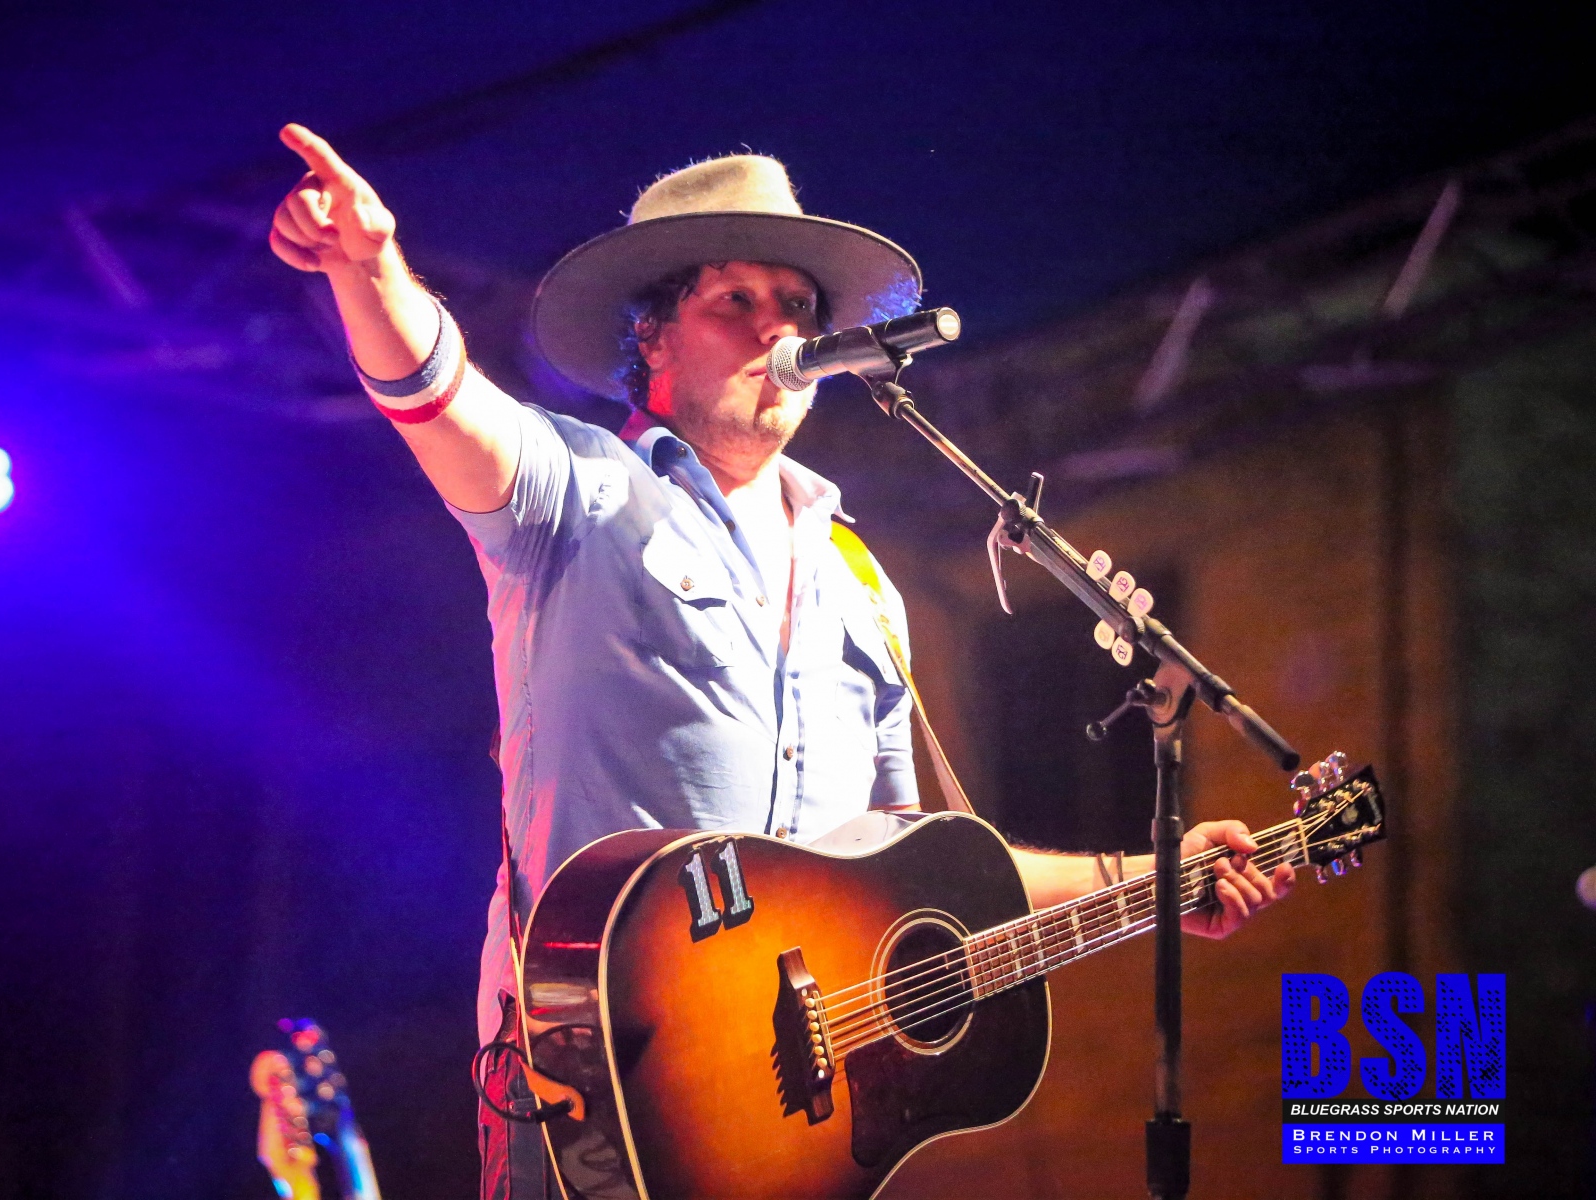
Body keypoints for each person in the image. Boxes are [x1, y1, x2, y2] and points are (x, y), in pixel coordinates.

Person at [268, 124, 1296, 1200]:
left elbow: (913, 870)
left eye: (799, 307)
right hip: (596, 1088)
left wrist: (1157, 877)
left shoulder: (861, 583)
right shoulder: (579, 490)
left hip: (793, 1134)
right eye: (736, 301)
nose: (779, 330)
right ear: (652, 337)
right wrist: (369, 268)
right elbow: (437, 399)